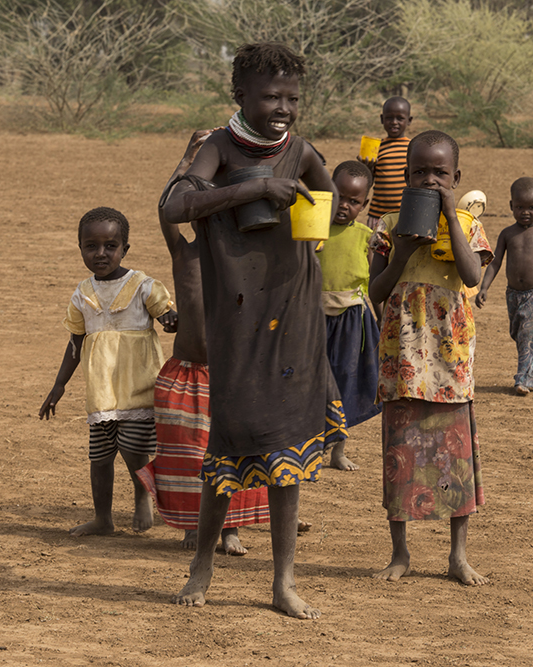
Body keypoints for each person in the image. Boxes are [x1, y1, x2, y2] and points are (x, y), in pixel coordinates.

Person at [160, 42, 345, 619]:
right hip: (237, 320)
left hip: (293, 315)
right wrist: (256, 189)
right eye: (270, 96)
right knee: (231, 440)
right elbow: (176, 206)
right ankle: (203, 563)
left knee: (286, 444)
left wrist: (324, 214)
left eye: (292, 97)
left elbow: (331, 192)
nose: (283, 107)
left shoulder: (302, 150)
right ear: (240, 95)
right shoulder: (219, 146)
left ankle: (283, 580)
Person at [136, 129, 271, 556]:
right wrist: (188, 157)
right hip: (185, 373)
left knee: (230, 455)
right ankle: (195, 525)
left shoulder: (247, 258)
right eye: (199, 207)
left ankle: (229, 528)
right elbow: (165, 209)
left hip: (230, 375)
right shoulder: (186, 254)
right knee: (186, 456)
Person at [368, 130, 493, 586]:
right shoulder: (385, 225)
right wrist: (401, 250)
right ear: (405, 175)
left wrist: (450, 217)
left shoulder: (467, 224)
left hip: (449, 359)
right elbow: (376, 292)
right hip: (403, 359)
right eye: (419, 171)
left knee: (453, 459)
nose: (430, 179)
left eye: (440, 173)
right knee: (401, 456)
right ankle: (400, 553)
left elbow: (471, 272)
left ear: (456, 177)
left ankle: (457, 555)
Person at [39, 207, 177, 537]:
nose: (101, 253)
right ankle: (103, 518)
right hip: (101, 393)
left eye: (110, 246)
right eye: (91, 246)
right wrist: (58, 386)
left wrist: (172, 319)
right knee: (99, 459)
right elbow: (75, 343)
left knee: (133, 448)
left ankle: (141, 495)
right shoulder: (82, 293)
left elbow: (169, 316)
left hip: (139, 387)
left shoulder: (143, 286)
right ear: (81, 248)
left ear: (125, 249)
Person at [317, 160, 382, 471]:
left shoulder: (366, 236)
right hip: (313, 317)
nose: (344, 206)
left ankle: (338, 451)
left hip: (352, 321)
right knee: (311, 380)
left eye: (354, 201)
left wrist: (383, 321)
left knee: (346, 381)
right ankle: (310, 446)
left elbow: (373, 285)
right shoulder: (312, 229)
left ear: (364, 204)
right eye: (338, 196)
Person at [475, 177, 533, 395]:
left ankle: (522, 379)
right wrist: (484, 287)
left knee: (526, 334)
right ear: (511, 206)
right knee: (520, 334)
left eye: (532, 207)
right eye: (520, 207)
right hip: (513, 295)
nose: (526, 212)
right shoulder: (508, 234)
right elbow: (495, 262)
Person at [361, 97, 412, 233]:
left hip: (405, 214)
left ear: (409, 120)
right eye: (389, 118)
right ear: (382, 119)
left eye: (400, 118)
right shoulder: (377, 148)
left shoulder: (413, 148)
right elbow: (368, 184)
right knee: (375, 251)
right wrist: (367, 169)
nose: (394, 122)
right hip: (378, 215)